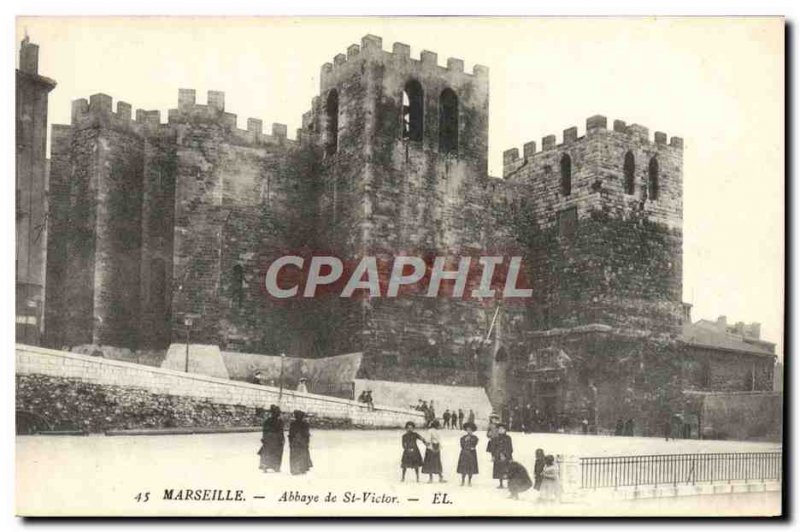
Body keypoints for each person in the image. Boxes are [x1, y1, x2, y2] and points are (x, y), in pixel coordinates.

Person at [258, 405, 284, 473]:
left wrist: (264, 438)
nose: (278, 414)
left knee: (268, 452)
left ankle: (267, 466)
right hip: (275, 439)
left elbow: (265, 431)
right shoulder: (279, 421)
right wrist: (282, 439)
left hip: (270, 439)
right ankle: (275, 467)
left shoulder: (268, 420)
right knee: (275, 453)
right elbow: (281, 431)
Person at [488, 423, 513, 488]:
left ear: (505, 430)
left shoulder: (508, 438)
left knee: (507, 470)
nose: (501, 430)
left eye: (502, 429)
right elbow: (493, 448)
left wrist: (508, 455)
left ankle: (509, 484)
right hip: (497, 456)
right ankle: (501, 483)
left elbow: (510, 447)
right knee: (499, 470)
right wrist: (493, 455)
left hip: (506, 456)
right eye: (499, 429)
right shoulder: (495, 438)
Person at [288, 410, 313, 475]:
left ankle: (296, 469)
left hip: (296, 441)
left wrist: (290, 441)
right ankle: (302, 468)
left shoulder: (293, 424)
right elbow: (306, 434)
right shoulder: (305, 424)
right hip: (301, 441)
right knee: (302, 454)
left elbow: (291, 434)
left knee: (296, 455)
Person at [457, 422, 479, 486]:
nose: (469, 431)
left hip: (471, 454)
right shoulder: (463, 438)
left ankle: (469, 480)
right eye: (468, 430)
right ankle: (463, 480)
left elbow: (474, 445)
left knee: (470, 467)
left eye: (470, 430)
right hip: (464, 453)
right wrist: (465, 441)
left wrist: (471, 444)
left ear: (472, 430)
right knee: (463, 467)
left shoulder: (475, 438)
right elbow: (462, 445)